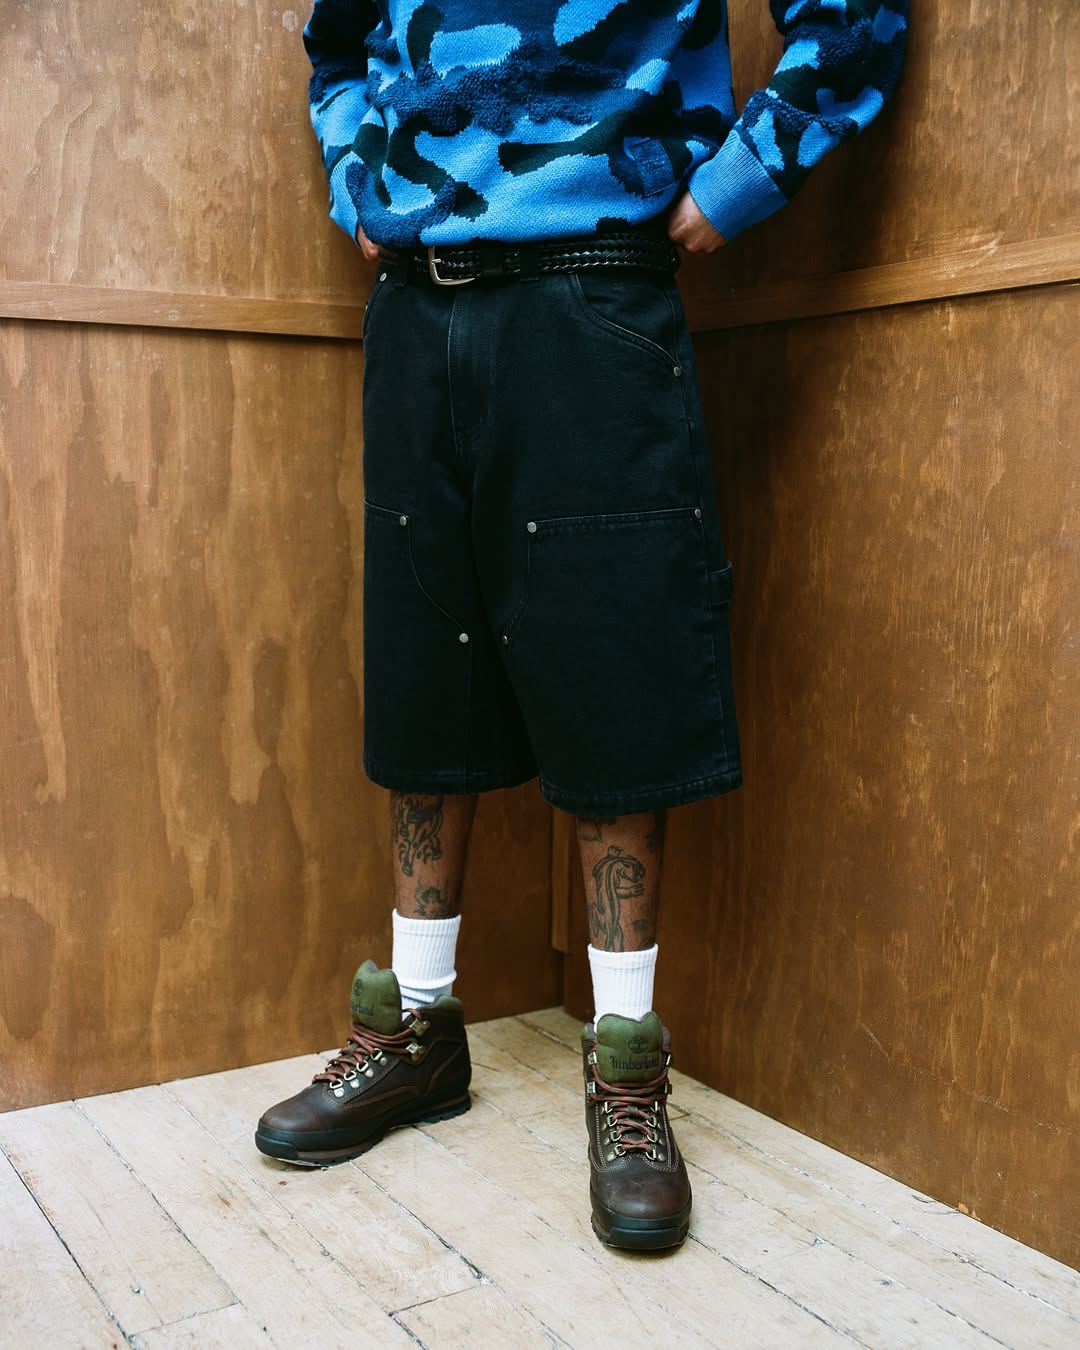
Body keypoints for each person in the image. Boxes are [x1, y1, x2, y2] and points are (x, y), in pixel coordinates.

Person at [256, 0, 909, 1251]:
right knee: (424, 669)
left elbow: (857, 17)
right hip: (415, 304)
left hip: (594, 292)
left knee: (619, 671)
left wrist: (742, 179)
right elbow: (337, 44)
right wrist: (355, 180)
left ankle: (626, 1068)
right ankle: (417, 1032)